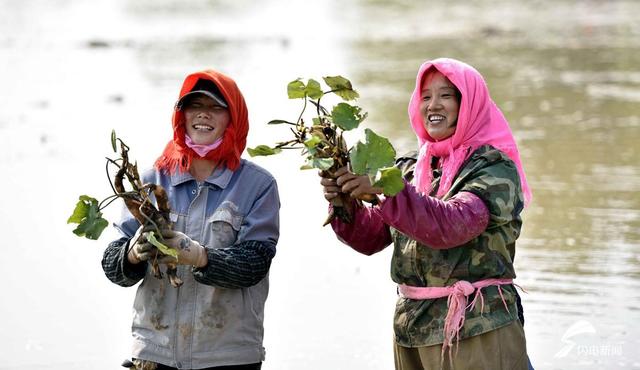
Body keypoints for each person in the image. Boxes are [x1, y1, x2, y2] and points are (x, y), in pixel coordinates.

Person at [320, 58, 532, 370]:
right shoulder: (408, 167)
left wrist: (382, 191)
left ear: (469, 104)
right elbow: (371, 238)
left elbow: (455, 224)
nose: (433, 105)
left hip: (477, 327)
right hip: (411, 331)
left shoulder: (493, 167)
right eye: (425, 96)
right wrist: (345, 201)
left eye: (446, 95)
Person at [103, 69, 280, 370]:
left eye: (215, 108)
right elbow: (113, 268)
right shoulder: (151, 178)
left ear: (233, 118)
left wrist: (198, 256)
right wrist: (132, 253)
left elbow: (255, 264)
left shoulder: (257, 185)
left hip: (228, 355)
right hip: (154, 352)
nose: (203, 115)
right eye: (195, 106)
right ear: (181, 116)